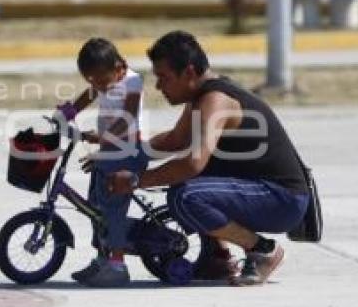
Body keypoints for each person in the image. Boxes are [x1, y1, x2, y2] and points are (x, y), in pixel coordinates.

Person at [108, 31, 309, 286]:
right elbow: (176, 141)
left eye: (163, 78)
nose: (158, 87)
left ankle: (263, 250)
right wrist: (122, 152)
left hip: (282, 199)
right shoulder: (200, 96)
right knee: (183, 184)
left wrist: (135, 180)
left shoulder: (216, 100)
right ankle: (217, 258)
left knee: (187, 196)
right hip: (260, 191)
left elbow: (192, 162)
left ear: (189, 73)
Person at [57, 38, 148, 287]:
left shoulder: (132, 81)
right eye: (91, 80)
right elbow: (85, 98)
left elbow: (128, 117)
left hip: (127, 152)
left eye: (100, 80)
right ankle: (102, 259)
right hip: (109, 150)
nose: (97, 86)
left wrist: (103, 140)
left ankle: (118, 265)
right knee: (94, 208)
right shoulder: (102, 80)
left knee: (112, 208)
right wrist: (66, 113)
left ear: (119, 67)